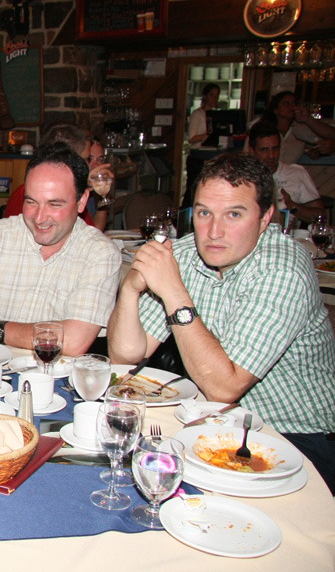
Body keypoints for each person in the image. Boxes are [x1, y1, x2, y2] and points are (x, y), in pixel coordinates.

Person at [107, 152, 335, 492]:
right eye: (204, 213)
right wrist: (130, 288)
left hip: (297, 437)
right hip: (212, 426)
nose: (214, 231)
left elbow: (224, 388)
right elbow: (126, 355)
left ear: (265, 218)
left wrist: (174, 292)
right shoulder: (186, 253)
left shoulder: (283, 270)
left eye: (234, 214)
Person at [0, 143, 121, 355]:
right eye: (31, 202)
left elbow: (73, 340)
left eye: (54, 204)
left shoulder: (100, 253)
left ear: (82, 202)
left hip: (51, 373)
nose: (39, 218)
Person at [2, 122, 99, 228]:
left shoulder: (24, 191)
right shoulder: (28, 196)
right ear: (69, 158)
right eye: (86, 159)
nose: (89, 165)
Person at [247, 121, 323, 228]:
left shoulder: (296, 173)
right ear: (252, 151)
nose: (271, 156)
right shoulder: (244, 177)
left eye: (275, 149)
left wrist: (293, 207)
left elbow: (320, 215)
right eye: (264, 150)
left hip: (287, 233)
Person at [257, 90, 335, 165]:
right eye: (287, 104)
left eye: (294, 103)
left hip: (287, 173)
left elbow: (326, 139)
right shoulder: (263, 128)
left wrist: (308, 119)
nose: (292, 107)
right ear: (276, 110)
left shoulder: (300, 130)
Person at [182, 83, 222, 208]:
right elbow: (192, 138)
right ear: (205, 96)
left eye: (217, 96)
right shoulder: (198, 114)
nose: (214, 98)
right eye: (212, 95)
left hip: (210, 157)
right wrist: (207, 136)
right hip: (197, 158)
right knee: (193, 190)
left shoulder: (215, 116)